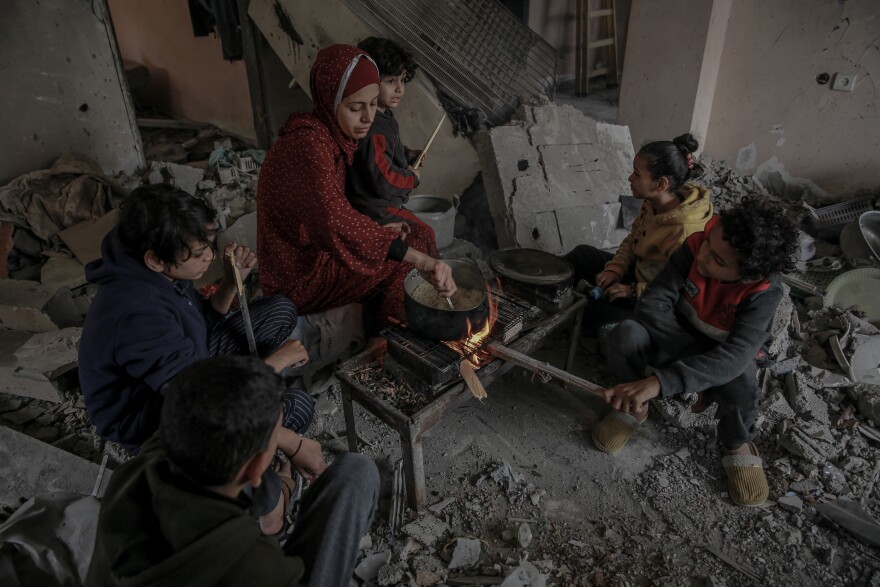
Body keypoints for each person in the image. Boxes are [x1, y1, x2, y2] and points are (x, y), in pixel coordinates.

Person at [79, 185, 322, 533]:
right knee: (296, 405)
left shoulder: (154, 269)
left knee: (280, 310)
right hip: (152, 413)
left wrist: (229, 282)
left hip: (184, 370)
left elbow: (196, 327)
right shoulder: (137, 313)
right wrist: (291, 437)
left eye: (208, 245)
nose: (208, 256)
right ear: (155, 259)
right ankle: (266, 507)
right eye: (198, 253)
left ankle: (259, 416)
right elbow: (198, 399)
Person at [86, 356, 380, 587]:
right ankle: (276, 505)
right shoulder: (254, 567)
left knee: (251, 468)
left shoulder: (134, 472)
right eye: (274, 435)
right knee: (357, 472)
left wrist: (280, 442)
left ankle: (274, 508)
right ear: (254, 469)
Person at [592, 196, 798, 507]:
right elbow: (653, 304)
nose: (702, 257)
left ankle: (736, 443)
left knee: (741, 379)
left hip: (722, 356)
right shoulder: (695, 247)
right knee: (627, 333)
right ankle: (633, 406)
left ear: (747, 275)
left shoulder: (762, 292)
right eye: (707, 245)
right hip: (676, 338)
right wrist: (687, 371)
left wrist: (663, 382)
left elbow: (735, 355)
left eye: (718, 261)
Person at [257, 44, 455, 334]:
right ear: (328, 99)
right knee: (410, 255)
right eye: (355, 107)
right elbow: (334, 220)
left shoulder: (327, 136)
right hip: (299, 278)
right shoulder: (308, 146)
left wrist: (381, 232)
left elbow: (334, 209)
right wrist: (415, 257)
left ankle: (381, 312)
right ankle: (385, 338)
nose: (368, 118)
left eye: (374, 104)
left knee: (411, 235)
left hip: (319, 250)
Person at [564, 133, 713, 329]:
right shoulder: (653, 203)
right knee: (581, 255)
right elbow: (632, 240)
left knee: (590, 314)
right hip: (639, 275)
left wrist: (632, 291)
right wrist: (615, 269)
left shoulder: (685, 232)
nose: (630, 178)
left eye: (637, 173)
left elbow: (678, 290)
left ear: (661, 184)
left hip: (658, 300)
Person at [346, 37, 429, 229]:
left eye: (402, 79)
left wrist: (408, 155)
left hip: (382, 204)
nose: (400, 88)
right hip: (374, 210)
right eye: (391, 81)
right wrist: (412, 178)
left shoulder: (385, 116)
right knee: (424, 234)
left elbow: (384, 154)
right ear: (370, 81)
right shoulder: (371, 126)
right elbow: (383, 180)